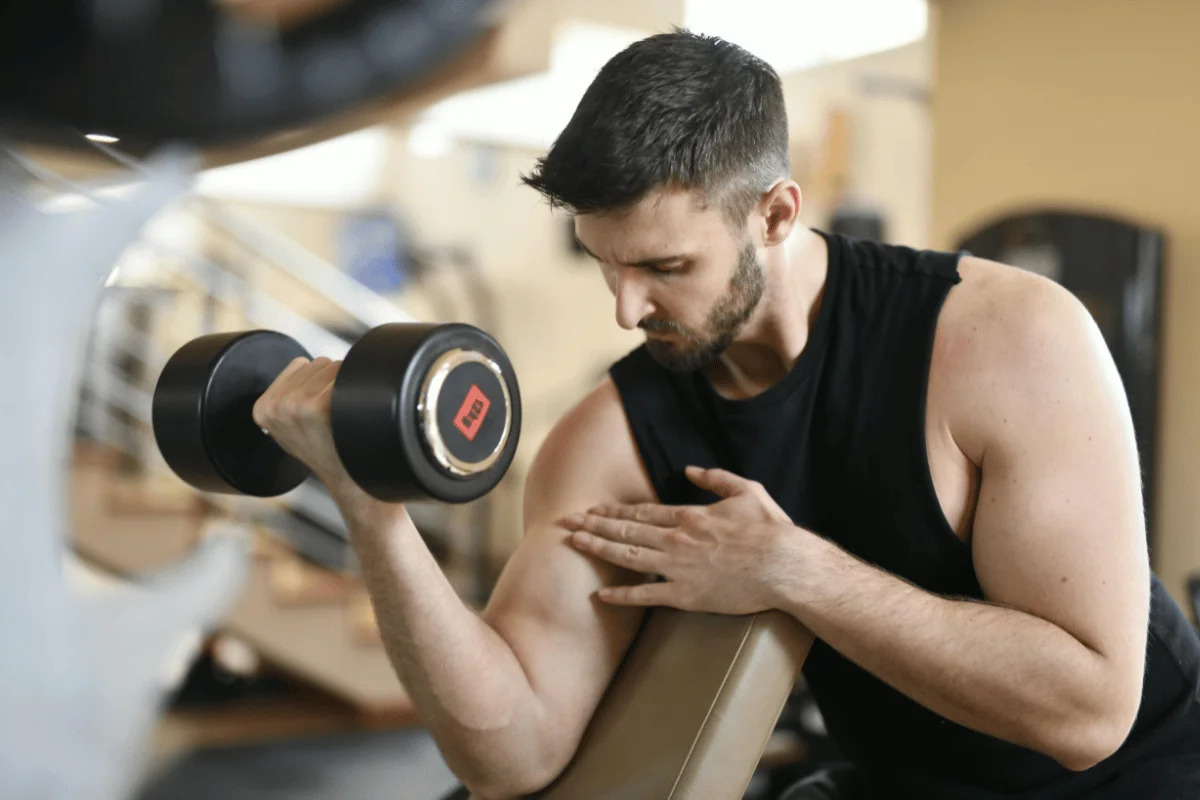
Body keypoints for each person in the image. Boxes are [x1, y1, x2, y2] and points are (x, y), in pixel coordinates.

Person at [251, 30, 1200, 800]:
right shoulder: (613, 435)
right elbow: (511, 753)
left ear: (777, 214)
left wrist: (788, 569)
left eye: (664, 268)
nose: (625, 311)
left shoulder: (1004, 341)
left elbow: (1089, 715)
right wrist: (369, 508)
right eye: (603, 264)